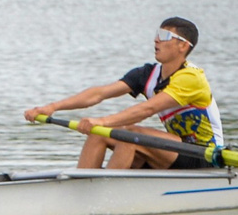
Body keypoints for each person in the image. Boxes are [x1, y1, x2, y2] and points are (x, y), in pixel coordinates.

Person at [25, 16, 222, 170]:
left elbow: (148, 108)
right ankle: (82, 190)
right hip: (172, 150)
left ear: (183, 46)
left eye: (164, 36)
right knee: (99, 134)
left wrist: (103, 121)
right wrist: (52, 107)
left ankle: (107, 198)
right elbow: (99, 93)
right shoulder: (148, 74)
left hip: (204, 155)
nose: (156, 39)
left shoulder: (191, 77)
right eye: (157, 33)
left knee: (129, 133)